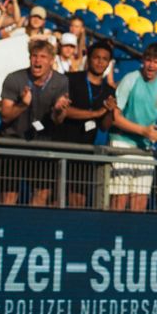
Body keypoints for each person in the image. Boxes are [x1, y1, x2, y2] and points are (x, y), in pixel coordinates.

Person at [0, 38, 68, 207]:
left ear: (52, 60)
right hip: (12, 142)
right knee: (9, 195)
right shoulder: (15, 78)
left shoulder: (61, 82)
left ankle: (30, 230)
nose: (37, 60)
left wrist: (58, 110)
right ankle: (4, 229)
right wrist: (22, 105)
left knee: (42, 193)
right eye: (34, 56)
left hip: (42, 143)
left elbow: (59, 121)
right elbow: (5, 116)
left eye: (43, 57)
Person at [48, 41, 116, 208]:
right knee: (55, 198)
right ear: (89, 59)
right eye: (96, 58)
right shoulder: (71, 79)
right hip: (62, 145)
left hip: (85, 151)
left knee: (78, 200)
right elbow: (64, 111)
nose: (100, 62)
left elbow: (104, 126)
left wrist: (110, 111)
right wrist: (96, 113)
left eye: (104, 59)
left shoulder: (109, 90)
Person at [108, 42, 157, 211]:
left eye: (156, 62)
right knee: (119, 198)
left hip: (146, 147)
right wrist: (143, 131)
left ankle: (134, 236)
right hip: (122, 142)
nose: (151, 65)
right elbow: (115, 117)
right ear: (143, 60)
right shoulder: (130, 79)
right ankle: (113, 235)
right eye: (149, 60)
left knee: (140, 200)